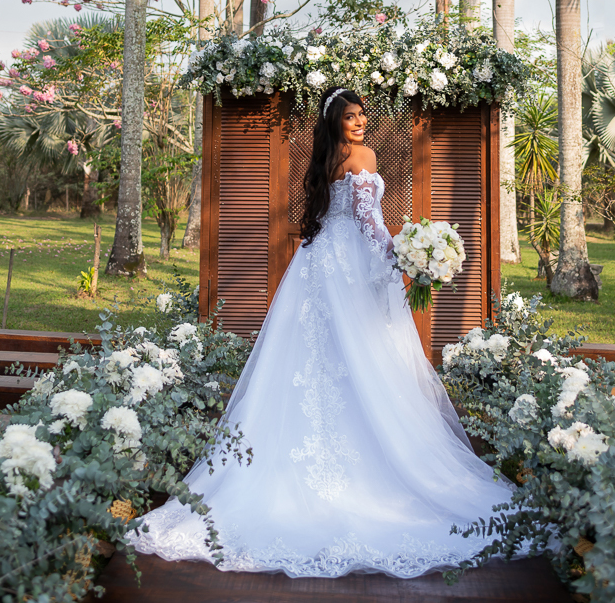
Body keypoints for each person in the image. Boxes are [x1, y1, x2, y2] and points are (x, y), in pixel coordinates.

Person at [129, 85, 514, 577]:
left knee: (315, 359)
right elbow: (369, 224)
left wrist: (406, 252)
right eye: (351, 117)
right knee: (360, 357)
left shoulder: (325, 159)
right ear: (336, 122)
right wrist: (405, 255)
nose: (360, 122)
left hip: (317, 267)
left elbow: (341, 218)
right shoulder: (361, 157)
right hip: (348, 270)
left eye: (362, 115)